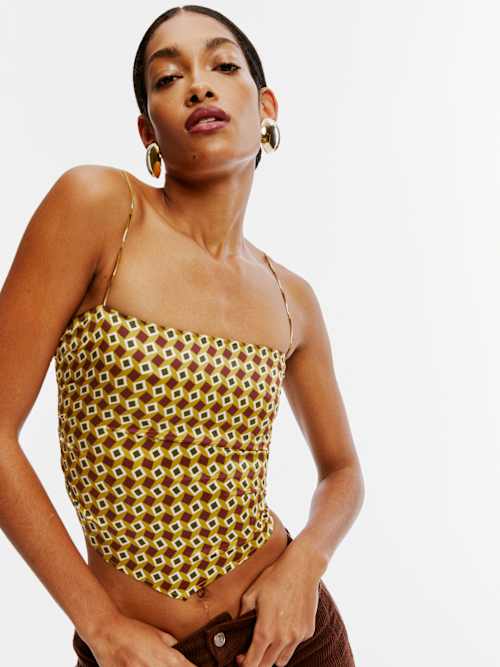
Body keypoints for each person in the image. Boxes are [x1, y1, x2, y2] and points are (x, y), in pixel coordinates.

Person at [0, 5, 364, 666]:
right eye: (168, 78)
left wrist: (305, 563)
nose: (198, 85)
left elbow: (342, 473)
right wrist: (101, 627)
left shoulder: (292, 298)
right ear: (148, 130)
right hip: (140, 654)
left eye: (223, 66)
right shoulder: (100, 210)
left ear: (266, 107)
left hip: (291, 642)